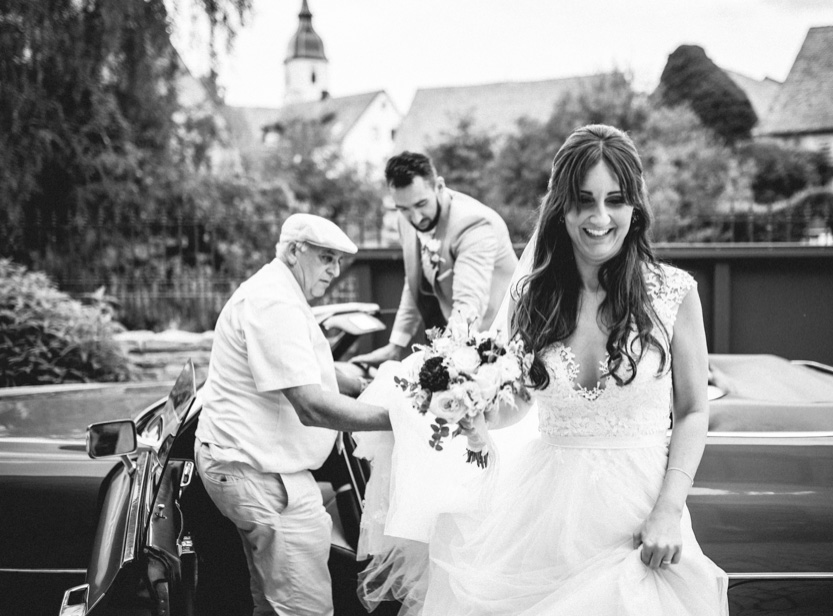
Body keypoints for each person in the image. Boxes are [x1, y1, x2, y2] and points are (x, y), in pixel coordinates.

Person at [356, 125, 728, 615]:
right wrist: (479, 414)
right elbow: (522, 400)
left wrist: (669, 510)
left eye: (615, 200)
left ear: (634, 207)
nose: (600, 217)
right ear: (562, 207)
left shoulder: (674, 294)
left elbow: (694, 409)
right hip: (543, 523)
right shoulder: (536, 298)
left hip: (640, 522)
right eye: (583, 200)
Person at [194, 213, 391, 616]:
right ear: (295, 250)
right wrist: (398, 417)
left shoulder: (278, 291)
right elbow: (310, 405)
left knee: (271, 603)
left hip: (257, 466)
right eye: (326, 259)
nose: (334, 271)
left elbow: (299, 364)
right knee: (306, 608)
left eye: (338, 261)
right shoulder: (273, 302)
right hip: (258, 472)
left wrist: (351, 379)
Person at [350, 151, 517, 366]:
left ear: (439, 186)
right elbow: (414, 281)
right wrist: (395, 346)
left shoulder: (473, 225)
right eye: (403, 208)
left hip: (501, 339)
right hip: (460, 339)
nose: (416, 218)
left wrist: (439, 363)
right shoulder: (406, 219)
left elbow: (468, 306)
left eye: (421, 204)